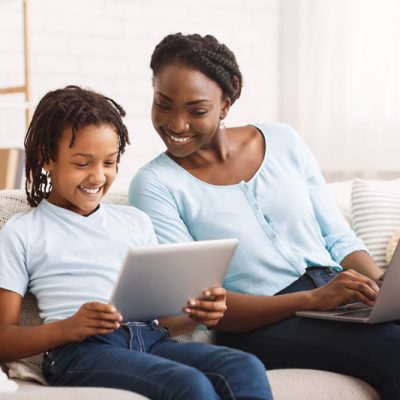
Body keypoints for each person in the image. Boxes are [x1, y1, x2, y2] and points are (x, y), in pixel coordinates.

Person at [128, 32, 400, 400]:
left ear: (228, 99)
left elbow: (338, 236)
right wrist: (311, 300)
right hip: (261, 323)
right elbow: (201, 302)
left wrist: (381, 284)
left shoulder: (284, 140)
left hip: (335, 296)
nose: (176, 124)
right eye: (163, 104)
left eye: (197, 110)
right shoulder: (155, 183)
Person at [0, 86, 272, 400]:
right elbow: (4, 338)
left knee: (244, 367)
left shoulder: (135, 221)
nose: (97, 177)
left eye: (109, 163)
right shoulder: (22, 231)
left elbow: (164, 322)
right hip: (81, 352)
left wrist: (197, 313)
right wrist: (68, 328)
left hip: (150, 339)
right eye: (82, 163)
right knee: (188, 384)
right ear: (47, 159)